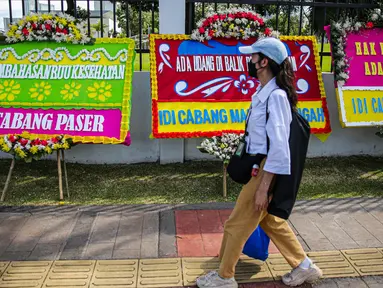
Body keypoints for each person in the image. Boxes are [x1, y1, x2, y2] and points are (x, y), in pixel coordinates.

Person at [196, 37, 322, 288]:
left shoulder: (275, 96)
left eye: (253, 57)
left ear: (264, 61)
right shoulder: (264, 93)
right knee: (269, 220)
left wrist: (264, 187)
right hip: (262, 167)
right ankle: (304, 266)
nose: (249, 61)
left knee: (236, 224)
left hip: (265, 170)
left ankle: (224, 277)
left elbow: (279, 147)